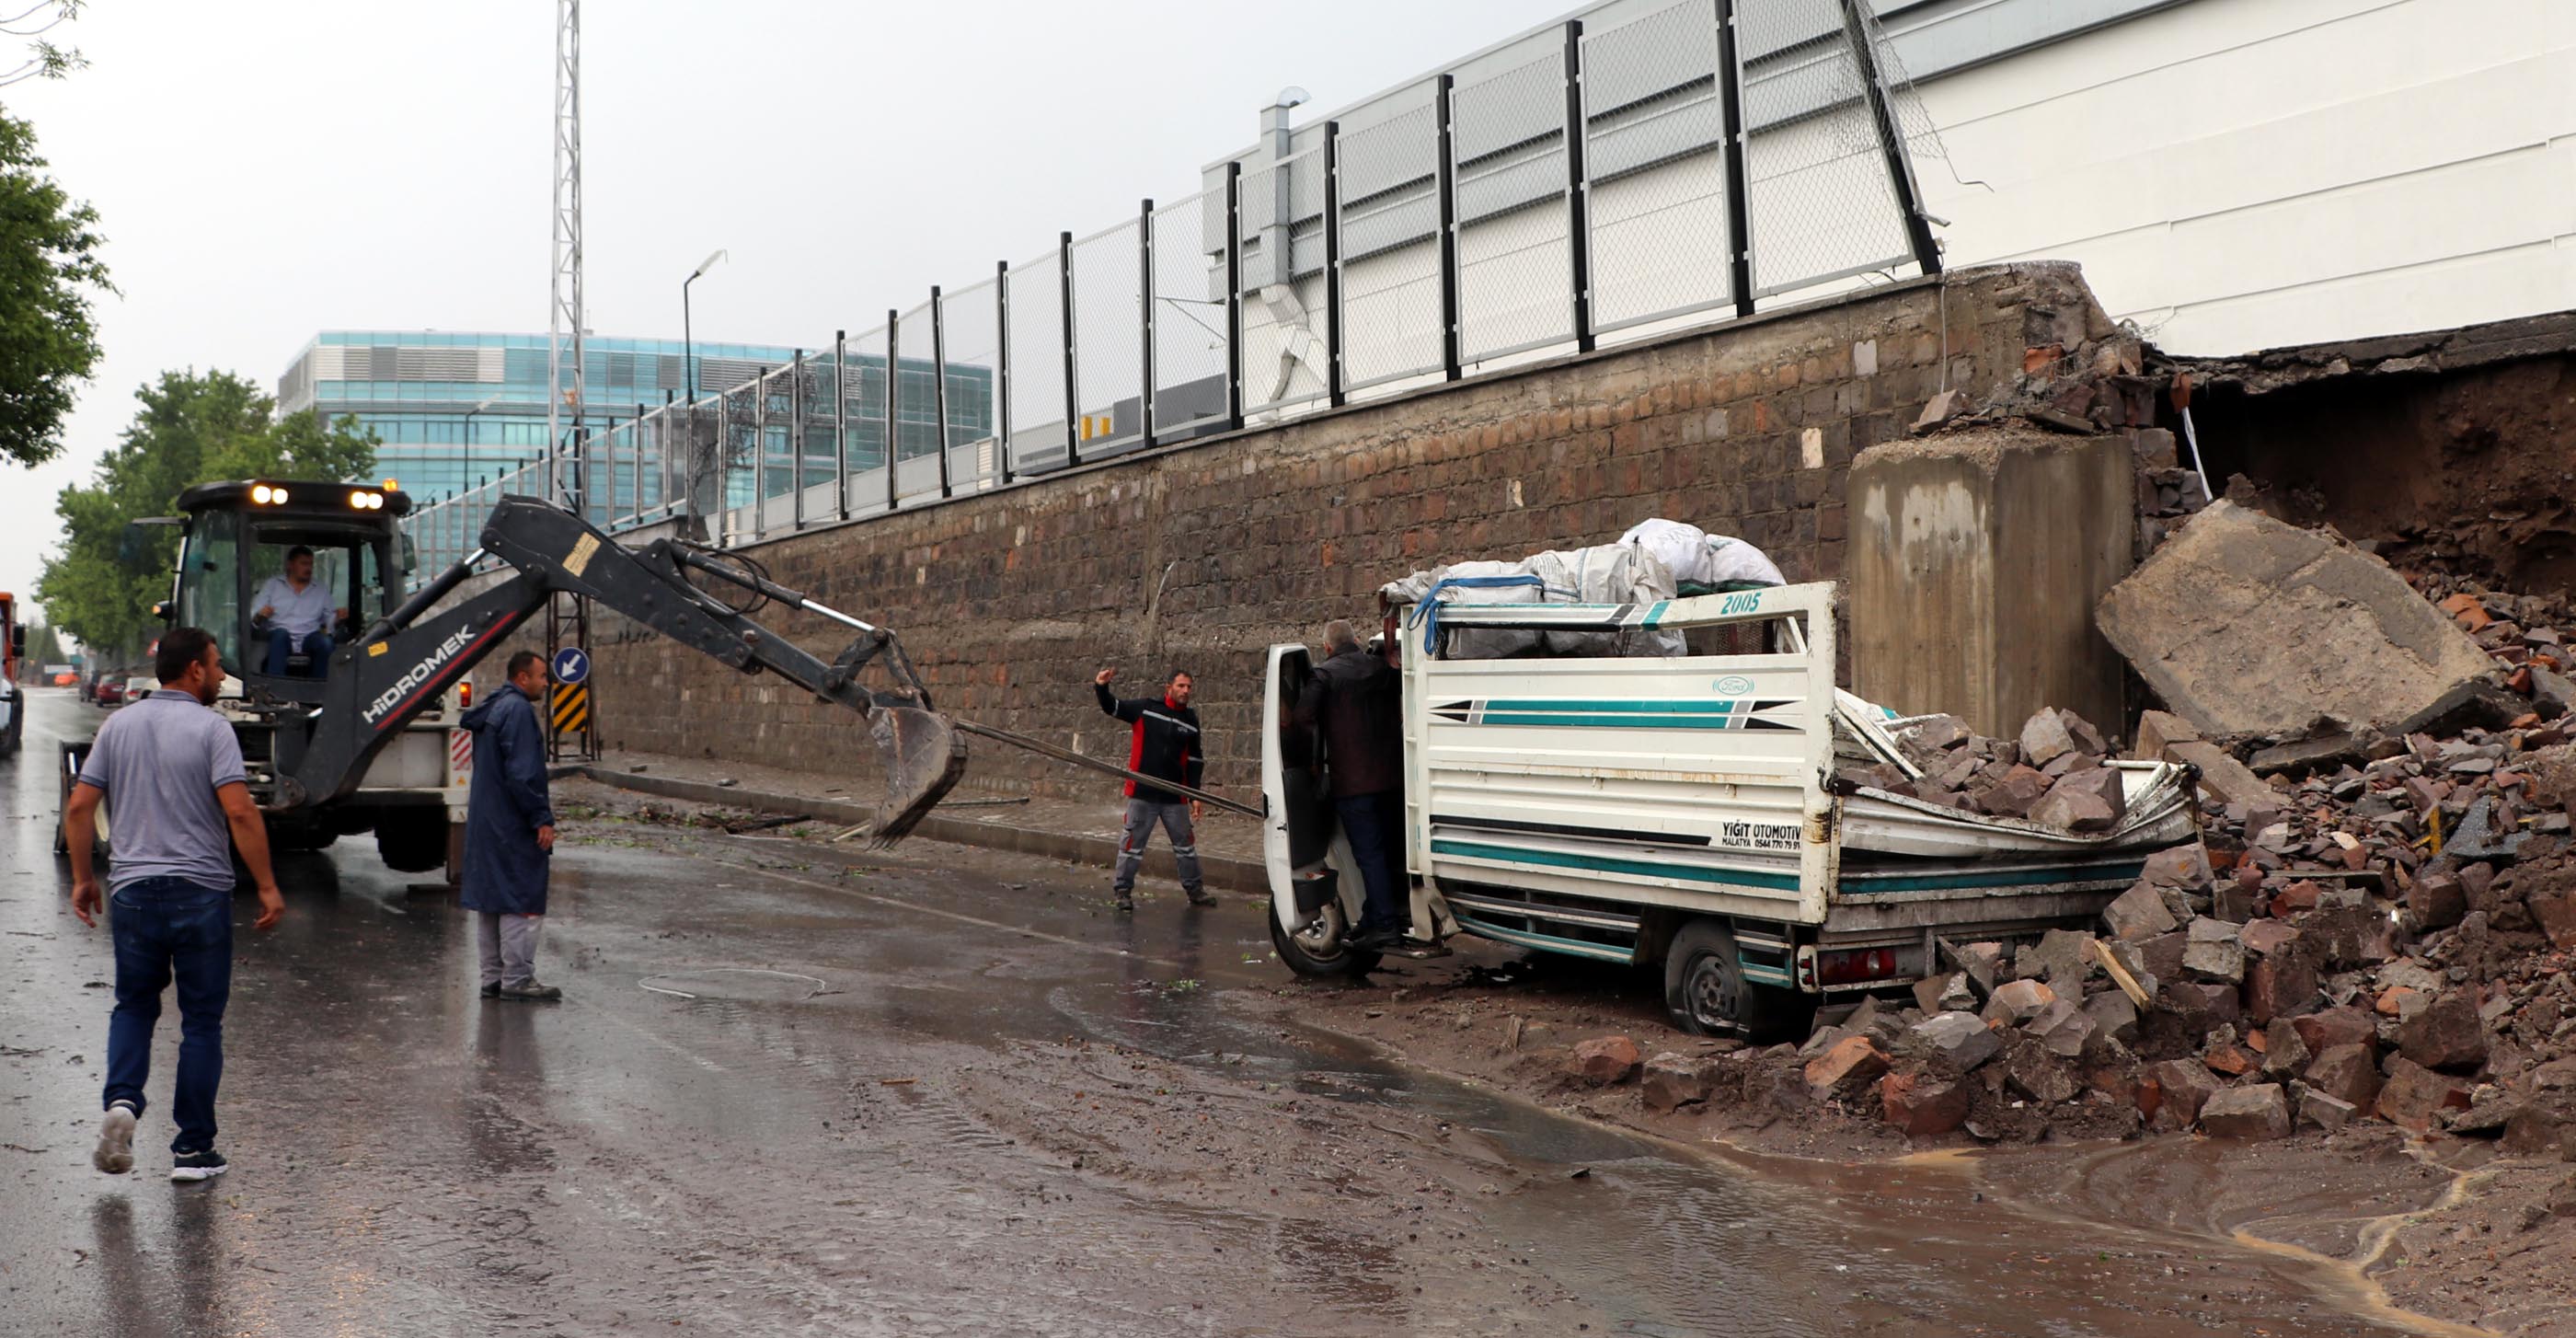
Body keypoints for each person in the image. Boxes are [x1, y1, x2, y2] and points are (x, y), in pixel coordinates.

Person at [65, 626, 285, 1183]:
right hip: (200, 893)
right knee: (201, 1023)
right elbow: (239, 812)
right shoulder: (213, 729)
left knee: (134, 1006)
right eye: (215, 666)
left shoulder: (118, 726)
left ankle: (122, 1104)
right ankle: (192, 1151)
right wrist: (266, 884)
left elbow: (79, 808)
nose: (219, 676)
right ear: (193, 671)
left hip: (134, 893)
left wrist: (83, 878)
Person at [1293, 619, 1409, 950]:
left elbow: (1303, 718)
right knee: (1386, 853)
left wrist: (1313, 758)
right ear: (1356, 640)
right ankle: (1375, 915)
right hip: (1391, 779)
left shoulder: (1324, 674)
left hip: (1354, 784)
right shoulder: (1379, 669)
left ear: (1327, 647)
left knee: (1368, 856)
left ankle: (1385, 925)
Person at [461, 651, 561, 1001]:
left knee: (491, 900)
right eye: (542, 676)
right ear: (522, 678)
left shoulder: (493, 708)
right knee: (521, 896)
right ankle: (517, 978)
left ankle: (492, 978)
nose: (547, 683)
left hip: (486, 821)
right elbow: (524, 774)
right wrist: (541, 818)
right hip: (511, 822)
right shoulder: (518, 711)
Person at [1093, 666, 1213, 912]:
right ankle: (1123, 891)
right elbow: (1112, 707)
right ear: (1168, 687)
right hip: (1143, 793)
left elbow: (1195, 760)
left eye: (1189, 687)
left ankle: (1195, 891)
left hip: (1175, 796)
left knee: (1186, 846)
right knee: (1132, 846)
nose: (1185, 691)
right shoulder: (1146, 708)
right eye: (1181, 686)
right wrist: (1101, 687)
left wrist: (1195, 794)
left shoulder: (1190, 721)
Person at [254, 545, 346, 678]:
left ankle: (321, 689)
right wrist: (260, 615)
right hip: (280, 635)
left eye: (310, 564)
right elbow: (254, 615)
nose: (308, 568)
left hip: (309, 637)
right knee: (280, 635)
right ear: (290, 565)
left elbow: (330, 621)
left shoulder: (321, 589)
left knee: (325, 643)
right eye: (304, 564)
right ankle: (275, 687)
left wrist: (337, 619)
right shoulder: (272, 585)